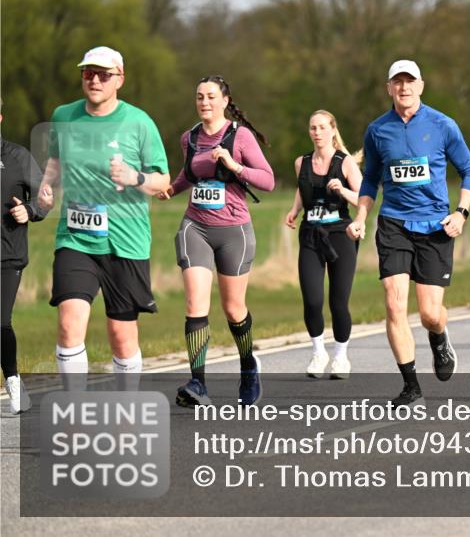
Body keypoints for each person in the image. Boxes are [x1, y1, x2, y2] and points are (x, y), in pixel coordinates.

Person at [36, 46, 170, 388]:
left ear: (119, 79)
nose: (94, 80)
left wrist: (135, 177)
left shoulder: (139, 122)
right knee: (69, 324)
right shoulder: (64, 116)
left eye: (103, 75)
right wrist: (45, 186)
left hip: (125, 241)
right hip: (75, 238)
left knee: (121, 336)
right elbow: (55, 161)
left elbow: (163, 181)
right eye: (88, 73)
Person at [346, 60, 470, 407]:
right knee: (394, 304)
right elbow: (370, 179)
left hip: (435, 226)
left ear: (421, 85)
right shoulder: (377, 130)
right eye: (397, 82)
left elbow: (469, 170)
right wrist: (361, 216)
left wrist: (461, 213)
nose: (404, 87)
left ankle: (439, 336)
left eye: (410, 81)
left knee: (430, 314)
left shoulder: (442, 125)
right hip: (394, 224)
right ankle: (411, 386)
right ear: (389, 88)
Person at [158, 76, 274, 407]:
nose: (204, 102)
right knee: (195, 305)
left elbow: (267, 180)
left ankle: (248, 366)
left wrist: (234, 165)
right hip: (195, 226)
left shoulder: (240, 136)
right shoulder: (190, 137)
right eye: (199, 97)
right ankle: (198, 383)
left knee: (234, 309)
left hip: (234, 231)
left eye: (211, 96)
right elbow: (189, 174)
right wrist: (171, 189)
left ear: (225, 100)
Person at [284, 111, 361, 379]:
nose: (317, 132)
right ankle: (319, 353)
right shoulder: (301, 162)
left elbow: (363, 199)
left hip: (340, 234)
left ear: (333, 130)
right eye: (313, 128)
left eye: (322, 127)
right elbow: (302, 187)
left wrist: (342, 189)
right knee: (312, 300)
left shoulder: (345, 162)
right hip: (311, 234)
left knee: (338, 302)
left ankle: (341, 357)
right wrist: (295, 210)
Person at [2, 109, 48, 412]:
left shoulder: (17, 156)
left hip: (7, 255)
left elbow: (45, 198)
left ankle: (13, 382)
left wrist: (29, 211)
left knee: (0, 321)